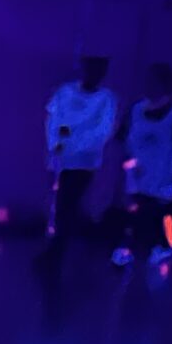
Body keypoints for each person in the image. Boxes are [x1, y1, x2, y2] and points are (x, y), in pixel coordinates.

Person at [38, 55, 117, 271]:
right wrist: (57, 143)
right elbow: (53, 119)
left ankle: (57, 251)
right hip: (62, 159)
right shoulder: (65, 92)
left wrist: (74, 141)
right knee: (63, 205)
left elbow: (101, 132)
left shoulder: (106, 99)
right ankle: (58, 248)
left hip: (84, 163)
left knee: (67, 204)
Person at [113, 63, 172, 270]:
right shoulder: (136, 111)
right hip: (138, 175)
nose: (149, 85)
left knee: (165, 213)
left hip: (163, 176)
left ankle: (167, 247)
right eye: (147, 81)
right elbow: (122, 138)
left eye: (154, 81)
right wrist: (128, 166)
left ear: (165, 85)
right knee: (133, 211)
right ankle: (127, 247)